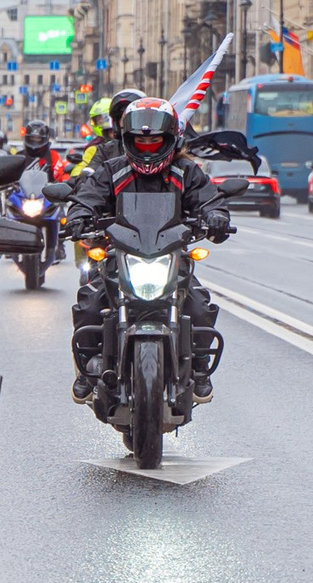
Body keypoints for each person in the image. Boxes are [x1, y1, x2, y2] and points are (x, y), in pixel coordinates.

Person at [66, 97, 235, 404]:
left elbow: (209, 198)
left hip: (171, 256)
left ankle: (199, 369)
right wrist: (79, 216)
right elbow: (89, 196)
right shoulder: (111, 170)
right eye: (139, 142)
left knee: (198, 306)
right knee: (90, 304)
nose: (147, 148)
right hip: (121, 255)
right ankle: (87, 372)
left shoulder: (186, 172)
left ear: (170, 140)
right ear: (126, 140)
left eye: (154, 141)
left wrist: (216, 217)